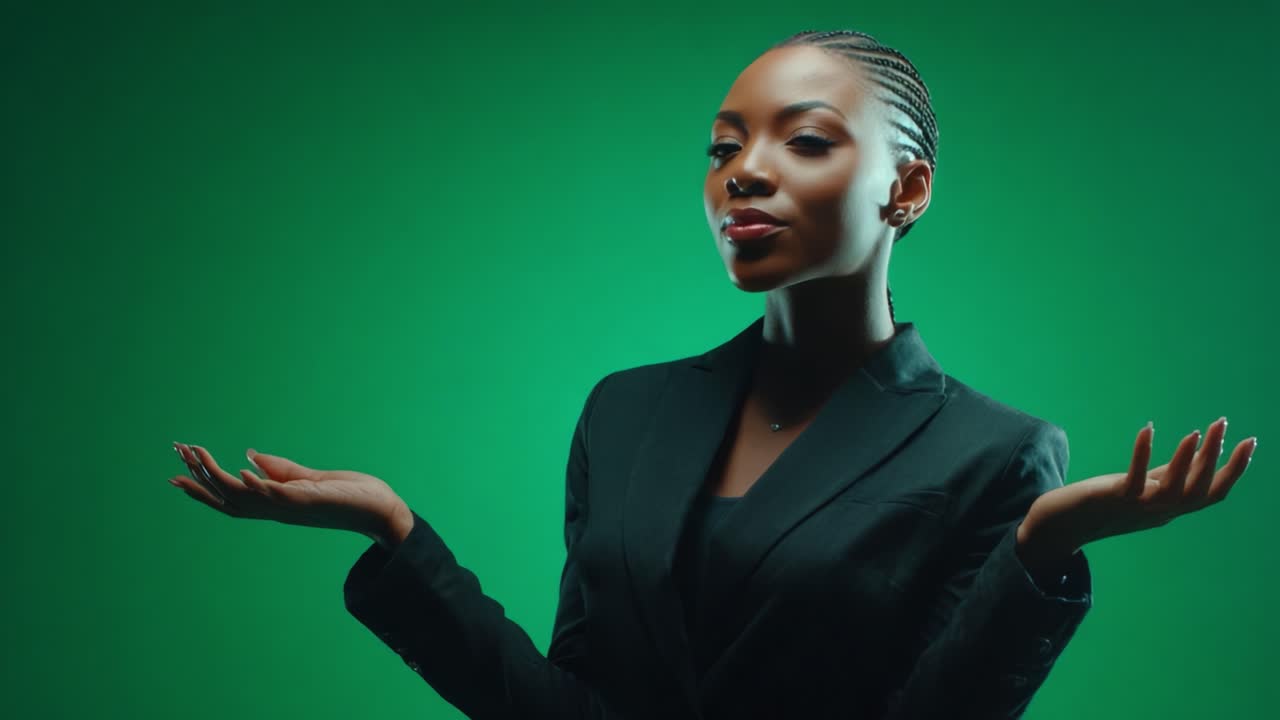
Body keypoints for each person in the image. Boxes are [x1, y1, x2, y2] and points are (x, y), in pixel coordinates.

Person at [167, 29, 1258, 720]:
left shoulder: (995, 453)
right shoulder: (626, 410)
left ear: (905, 189)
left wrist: (1038, 552)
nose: (744, 171)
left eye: (806, 140)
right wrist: (396, 537)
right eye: (724, 144)